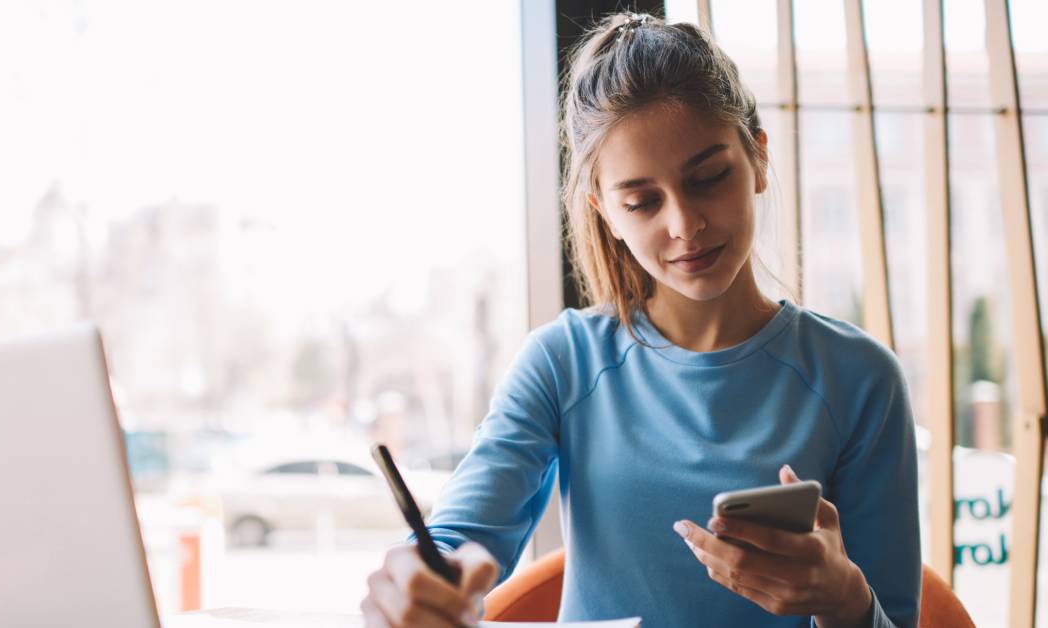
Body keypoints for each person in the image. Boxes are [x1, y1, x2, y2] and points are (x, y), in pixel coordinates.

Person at [360, 12, 920, 628]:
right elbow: (458, 539)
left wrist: (844, 601)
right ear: (604, 210)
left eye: (708, 178)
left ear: (758, 158)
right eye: (642, 201)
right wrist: (420, 581)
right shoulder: (564, 363)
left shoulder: (860, 378)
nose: (683, 224)